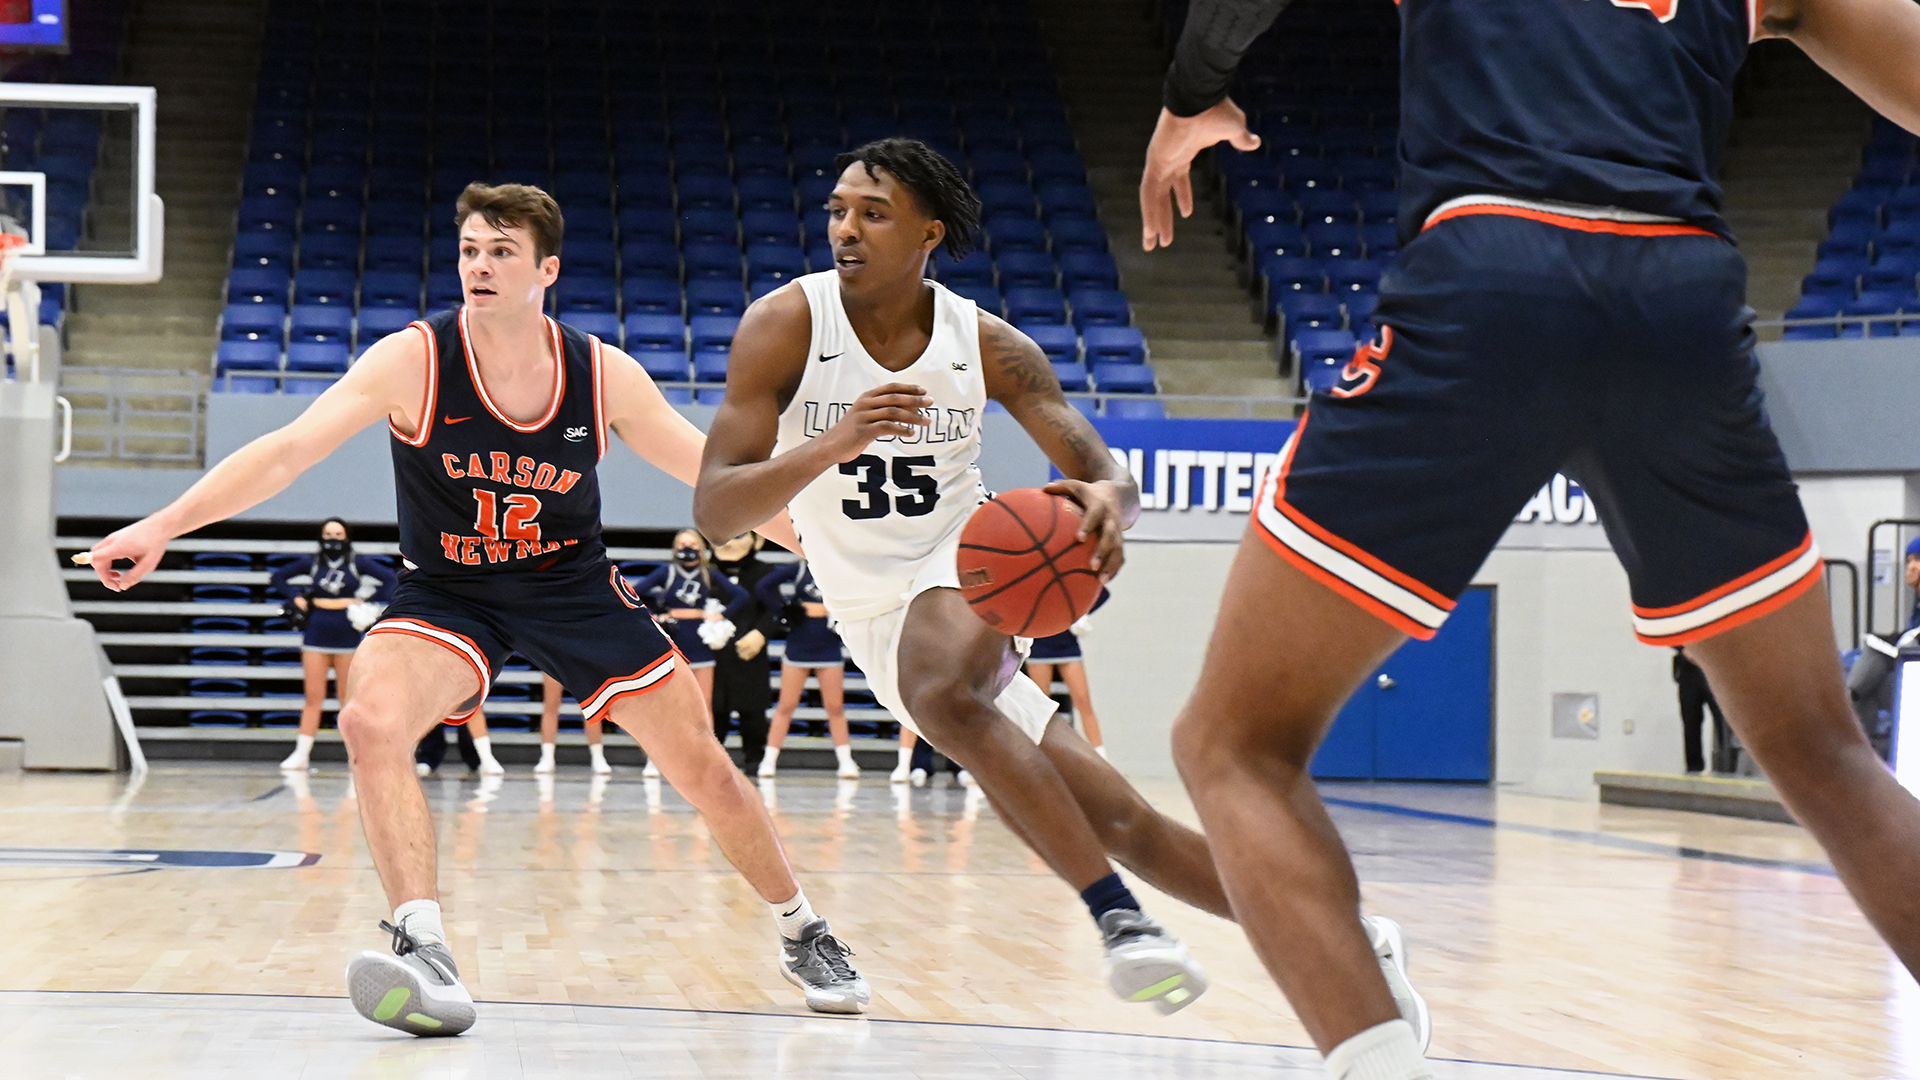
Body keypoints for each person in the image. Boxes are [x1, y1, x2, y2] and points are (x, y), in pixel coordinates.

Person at [1140, 1, 1920, 1077]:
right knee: (1828, 754)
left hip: (1490, 276)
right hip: (1679, 301)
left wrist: (1191, 93)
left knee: (1233, 747)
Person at [85, 182, 870, 1034]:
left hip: (571, 588)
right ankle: (423, 945)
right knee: (370, 721)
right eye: (469, 250)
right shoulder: (415, 359)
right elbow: (287, 452)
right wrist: (162, 525)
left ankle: (804, 930)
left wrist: (854, 558)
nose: (480, 266)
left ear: (547, 271)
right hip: (448, 591)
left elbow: (720, 482)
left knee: (705, 771)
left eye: (501, 252)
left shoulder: (601, 373)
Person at [695, 138, 1422, 1020]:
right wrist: (834, 442)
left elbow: (1107, 476)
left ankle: (1120, 921)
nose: (846, 228)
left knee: (941, 688)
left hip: (965, 559)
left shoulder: (984, 343)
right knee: (1123, 823)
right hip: (864, 607)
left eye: (873, 214)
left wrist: (1112, 504)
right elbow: (717, 511)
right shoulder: (786, 325)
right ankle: (1352, 936)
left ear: (928, 233)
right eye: (839, 211)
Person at [269, 517, 398, 771]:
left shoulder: (357, 562)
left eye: (338, 535)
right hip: (316, 632)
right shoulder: (313, 562)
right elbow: (278, 577)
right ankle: (301, 754)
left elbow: (391, 580)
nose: (333, 540)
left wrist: (367, 600)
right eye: (328, 535)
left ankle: (356, 755)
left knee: (347, 700)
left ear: (346, 537)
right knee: (313, 696)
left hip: (347, 633)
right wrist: (295, 596)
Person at [756, 557, 862, 779]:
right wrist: (784, 609)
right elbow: (763, 586)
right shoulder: (799, 568)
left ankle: (846, 761)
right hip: (799, 644)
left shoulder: (838, 568)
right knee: (786, 704)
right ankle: (769, 760)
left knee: (835, 706)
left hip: (828, 644)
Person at [708, 531, 783, 775]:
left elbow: (775, 610)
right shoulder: (706, 571)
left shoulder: (764, 572)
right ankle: (711, 762)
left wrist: (761, 633)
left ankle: (755, 759)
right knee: (713, 709)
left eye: (739, 536)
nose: (730, 542)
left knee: (753, 711)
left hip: (749, 655)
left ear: (757, 540)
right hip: (713, 656)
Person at [1024, 588, 1109, 758]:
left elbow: (1101, 592)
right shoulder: (1034, 583)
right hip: (1039, 645)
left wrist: (1082, 614)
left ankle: (1100, 755)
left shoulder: (1066, 581)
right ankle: (1041, 753)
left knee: (1083, 701)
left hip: (1067, 645)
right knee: (1041, 705)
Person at [533, 672, 610, 775]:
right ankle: (547, 758)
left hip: (581, 663)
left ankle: (598, 757)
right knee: (551, 705)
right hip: (557, 662)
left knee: (590, 705)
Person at [1672, 648, 1731, 775]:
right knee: (1690, 723)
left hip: (1716, 667)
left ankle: (1726, 770)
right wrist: (1682, 648)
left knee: (1724, 724)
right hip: (1689, 669)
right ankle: (1693, 770)